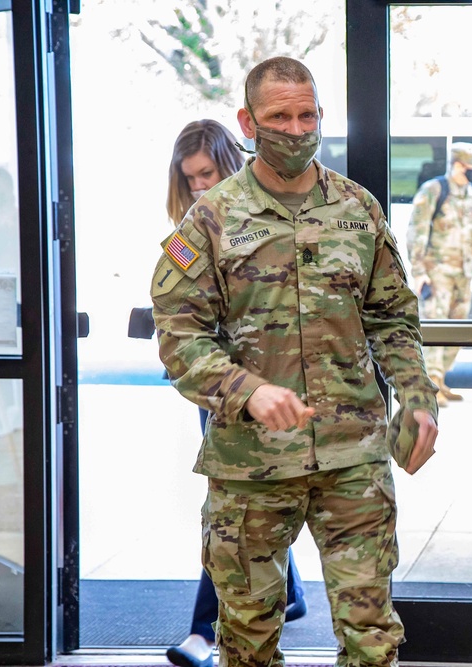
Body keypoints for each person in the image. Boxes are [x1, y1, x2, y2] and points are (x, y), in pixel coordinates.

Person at [151, 57, 439, 667]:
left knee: (371, 637)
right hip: (251, 468)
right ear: (248, 122)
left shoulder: (357, 209)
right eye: (279, 116)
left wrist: (417, 397)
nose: (295, 127)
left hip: (353, 460)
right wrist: (246, 389)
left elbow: (392, 318)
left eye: (306, 114)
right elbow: (180, 336)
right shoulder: (210, 219)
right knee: (248, 640)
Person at [135, 120, 310, 667]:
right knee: (237, 514)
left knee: (249, 511)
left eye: (207, 174)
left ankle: (212, 628)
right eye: (189, 180)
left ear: (229, 162)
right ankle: (233, 620)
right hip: (223, 389)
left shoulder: (273, 215)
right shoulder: (195, 228)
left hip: (280, 385)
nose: (200, 188)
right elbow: (179, 311)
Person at [406, 142, 472, 406]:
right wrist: (418, 271)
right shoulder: (434, 190)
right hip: (437, 272)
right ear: (458, 165)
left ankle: (441, 380)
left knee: (458, 329)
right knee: (435, 328)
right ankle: (432, 385)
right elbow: (416, 231)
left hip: (464, 274)